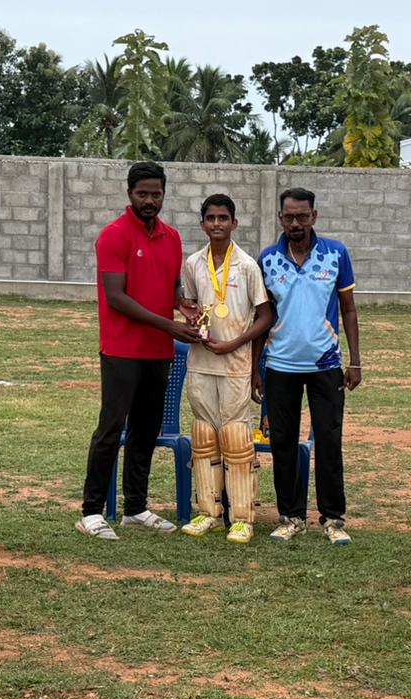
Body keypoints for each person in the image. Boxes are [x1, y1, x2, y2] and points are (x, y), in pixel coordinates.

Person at [77, 161, 198, 540]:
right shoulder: (113, 236)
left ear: (164, 194)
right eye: (143, 193)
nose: (150, 200)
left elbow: (171, 287)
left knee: (147, 430)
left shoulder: (172, 237)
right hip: (122, 349)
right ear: (129, 194)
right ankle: (92, 511)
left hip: (158, 351)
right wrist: (170, 324)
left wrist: (185, 306)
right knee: (111, 429)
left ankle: (135, 508)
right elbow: (116, 298)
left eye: (156, 194)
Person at [258, 187, 362, 545]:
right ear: (280, 219)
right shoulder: (267, 259)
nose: (296, 223)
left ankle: (333, 519)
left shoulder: (335, 253)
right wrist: (258, 369)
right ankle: (291, 517)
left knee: (329, 442)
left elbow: (348, 309)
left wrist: (356, 361)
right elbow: (263, 315)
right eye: (289, 217)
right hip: (280, 365)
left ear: (314, 217)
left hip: (326, 364)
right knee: (283, 443)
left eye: (303, 216)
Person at [177, 193, 272, 544]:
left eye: (223, 218)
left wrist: (234, 344)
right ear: (202, 223)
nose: (217, 224)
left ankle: (243, 518)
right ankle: (208, 513)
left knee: (235, 439)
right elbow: (189, 305)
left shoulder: (247, 265)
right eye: (211, 218)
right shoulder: (193, 264)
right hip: (201, 362)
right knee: (203, 438)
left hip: (234, 363)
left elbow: (265, 317)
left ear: (235, 222)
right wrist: (190, 321)